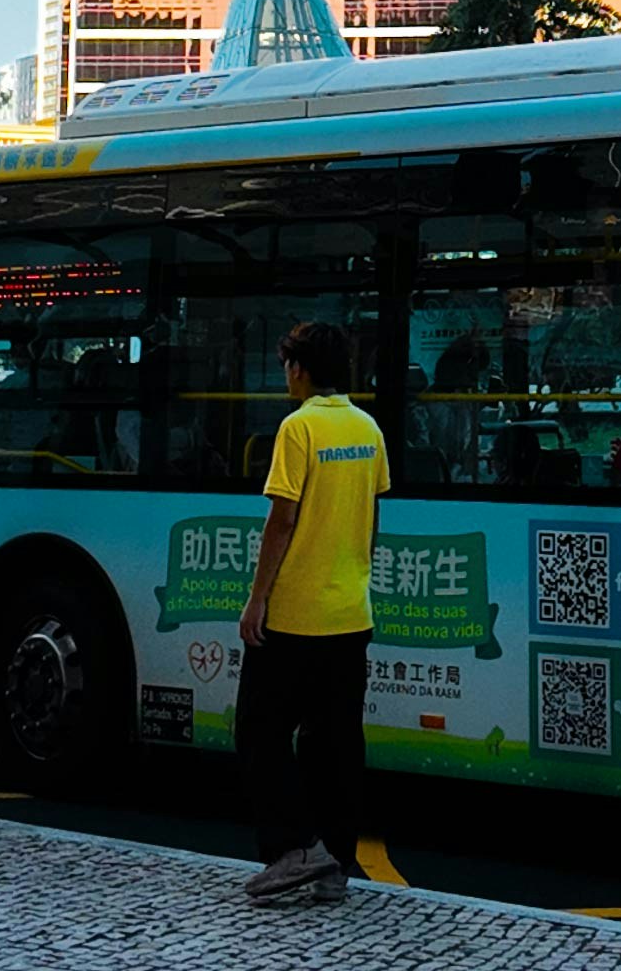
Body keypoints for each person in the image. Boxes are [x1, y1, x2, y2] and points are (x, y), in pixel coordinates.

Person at [235, 319, 387, 909]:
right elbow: (372, 521)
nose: (286, 377)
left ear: (300, 369)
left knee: (259, 730)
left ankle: (292, 847)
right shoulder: (367, 428)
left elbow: (283, 520)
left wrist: (257, 598)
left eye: (287, 366)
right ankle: (334, 863)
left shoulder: (299, 428)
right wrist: (355, 578)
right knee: (337, 741)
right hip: (351, 612)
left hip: (296, 615)